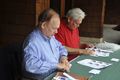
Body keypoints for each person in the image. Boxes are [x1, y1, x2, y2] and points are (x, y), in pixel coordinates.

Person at [22, 8, 71, 80]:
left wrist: (63, 57)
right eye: (54, 28)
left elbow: (61, 47)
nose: (56, 32)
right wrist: (56, 65)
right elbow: (30, 65)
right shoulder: (32, 41)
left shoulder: (51, 37)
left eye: (57, 28)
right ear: (43, 25)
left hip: (54, 74)